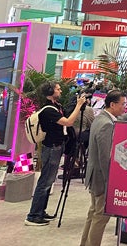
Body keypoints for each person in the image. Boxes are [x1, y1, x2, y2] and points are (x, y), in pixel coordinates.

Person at [25, 81, 88, 226]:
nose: (60, 91)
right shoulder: (48, 110)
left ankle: (41, 211)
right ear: (50, 91)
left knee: (49, 181)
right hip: (51, 148)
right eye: (58, 89)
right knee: (45, 181)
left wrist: (77, 104)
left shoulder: (57, 106)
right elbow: (68, 122)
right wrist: (78, 105)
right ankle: (33, 215)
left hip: (57, 146)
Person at [80, 89, 127, 246]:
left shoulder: (100, 118)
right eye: (123, 104)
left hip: (94, 175)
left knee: (93, 213)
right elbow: (105, 157)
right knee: (100, 217)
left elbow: (120, 119)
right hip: (101, 177)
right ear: (113, 105)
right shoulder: (107, 125)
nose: (125, 107)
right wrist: (111, 181)